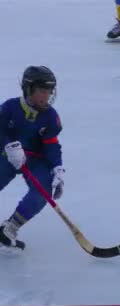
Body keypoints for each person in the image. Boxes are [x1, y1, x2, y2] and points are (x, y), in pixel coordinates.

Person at [0, 66, 65, 250]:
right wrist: (9, 145)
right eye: (42, 91)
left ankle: (10, 227)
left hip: (36, 161)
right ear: (29, 90)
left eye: (49, 92)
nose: (47, 96)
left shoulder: (51, 117)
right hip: (7, 156)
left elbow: (51, 144)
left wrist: (57, 168)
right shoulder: (10, 107)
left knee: (42, 192)